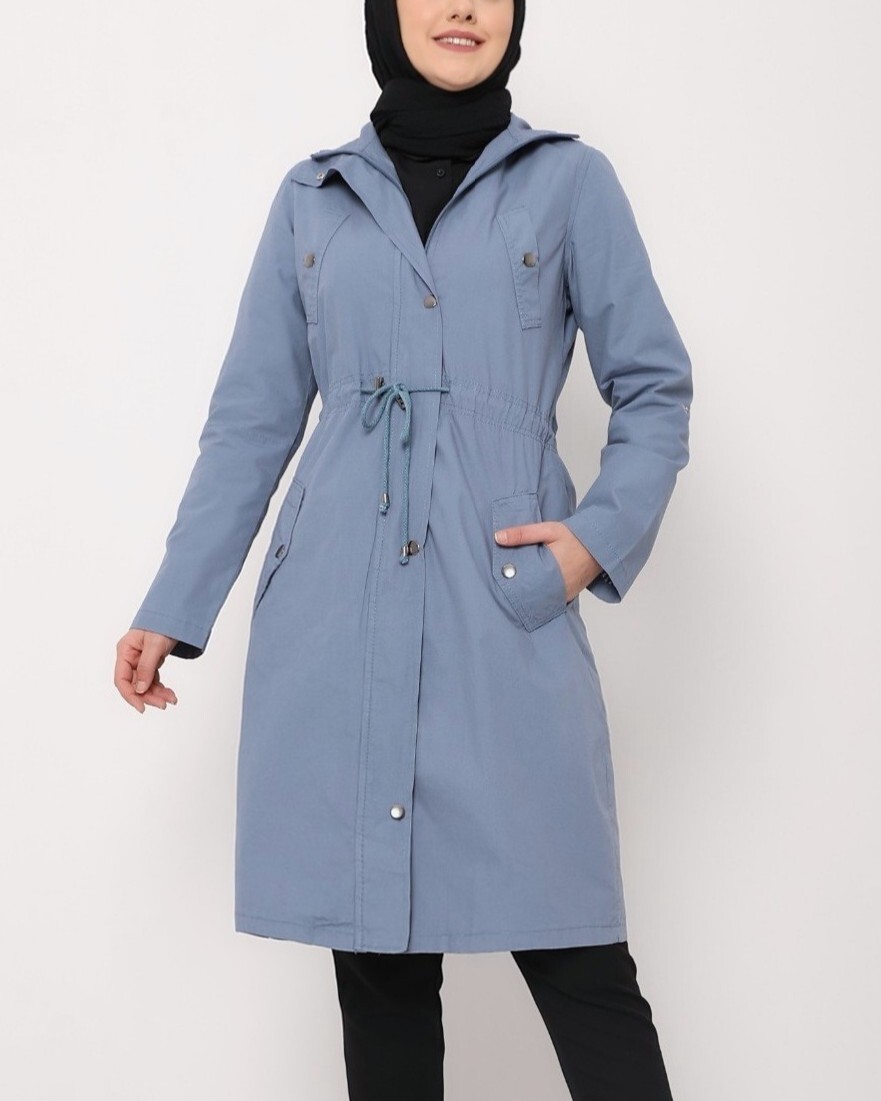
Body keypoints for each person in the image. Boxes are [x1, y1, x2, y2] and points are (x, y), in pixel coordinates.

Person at [115, 1, 692, 1097]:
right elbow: (250, 422)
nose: (461, 7)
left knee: (580, 958)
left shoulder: (571, 183)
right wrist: (171, 605)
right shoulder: (313, 196)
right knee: (379, 979)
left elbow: (653, 389)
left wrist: (589, 545)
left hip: (502, 611)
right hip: (337, 619)